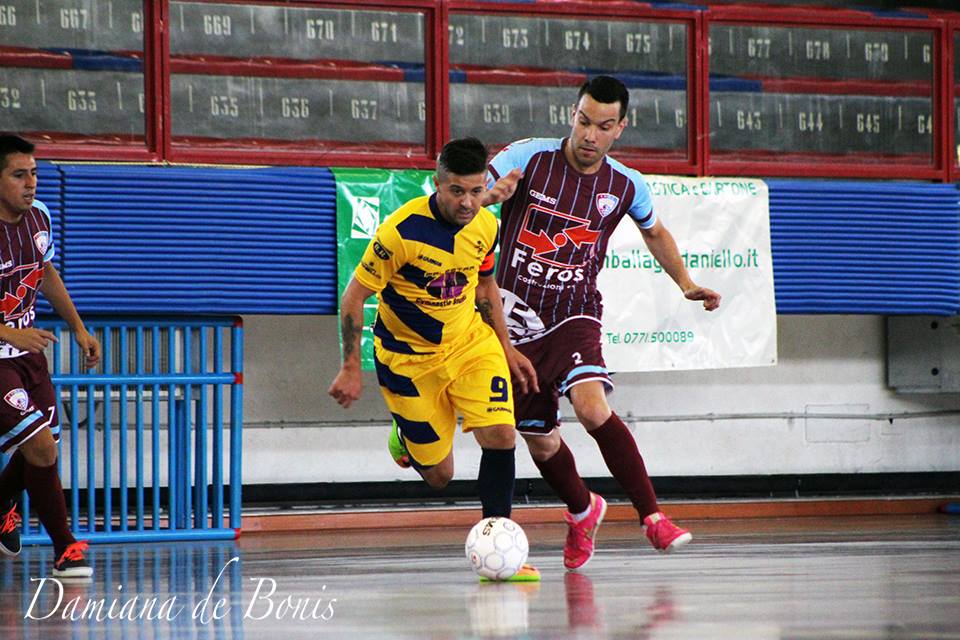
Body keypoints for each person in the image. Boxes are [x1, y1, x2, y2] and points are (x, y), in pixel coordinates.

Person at [483, 76, 721, 570]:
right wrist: (490, 197)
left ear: (620, 129)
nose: (590, 134)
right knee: (541, 438)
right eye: (584, 121)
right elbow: (468, 198)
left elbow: (656, 234)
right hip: (514, 318)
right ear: (573, 114)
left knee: (592, 408)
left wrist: (685, 284)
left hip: (574, 311)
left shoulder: (626, 184)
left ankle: (652, 516)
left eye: (604, 126)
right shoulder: (527, 158)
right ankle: (583, 509)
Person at [328, 137, 540, 582]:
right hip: (409, 361)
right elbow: (353, 297)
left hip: (469, 344)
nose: (468, 202)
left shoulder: (485, 224)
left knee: (502, 434)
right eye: (457, 191)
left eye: (476, 190)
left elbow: (484, 289)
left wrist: (506, 347)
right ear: (437, 184)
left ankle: (499, 549)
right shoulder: (400, 233)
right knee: (440, 476)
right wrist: (350, 366)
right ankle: (405, 438)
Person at [0, 134, 102, 578]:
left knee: (41, 450)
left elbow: (44, 273)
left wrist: (78, 327)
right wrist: (9, 333)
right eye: (18, 174)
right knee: (40, 447)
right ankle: (65, 549)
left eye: (34, 173)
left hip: (28, 355)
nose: (31, 183)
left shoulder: (39, 217)